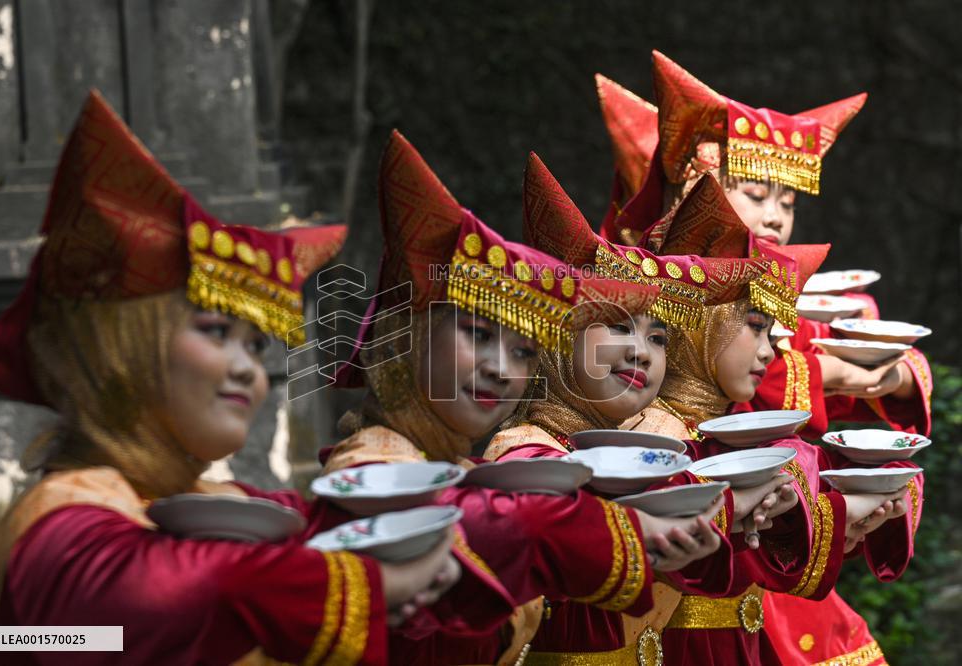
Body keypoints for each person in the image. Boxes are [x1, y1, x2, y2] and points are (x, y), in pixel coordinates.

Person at [0, 91, 463, 666]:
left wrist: (421, 531)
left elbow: (309, 530)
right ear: (121, 348)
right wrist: (364, 585)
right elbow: (140, 607)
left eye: (256, 344)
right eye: (215, 331)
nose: (247, 368)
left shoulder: (215, 501)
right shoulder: (56, 524)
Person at [319, 130, 726, 664]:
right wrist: (626, 530)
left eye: (522, 351)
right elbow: (491, 521)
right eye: (477, 334)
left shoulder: (448, 463)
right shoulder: (375, 461)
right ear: (409, 335)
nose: (500, 369)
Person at [596, 54, 926, 664]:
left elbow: (842, 364)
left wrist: (891, 377)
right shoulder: (654, 287)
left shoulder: (770, 290)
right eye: (754, 194)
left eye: (787, 200)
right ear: (693, 191)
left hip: (755, 556)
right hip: (678, 570)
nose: (775, 215)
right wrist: (831, 372)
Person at [478, 153, 806, 665]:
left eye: (658, 338)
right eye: (617, 326)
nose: (642, 353)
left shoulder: (646, 443)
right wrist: (729, 504)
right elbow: (573, 523)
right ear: (558, 334)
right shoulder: (521, 452)